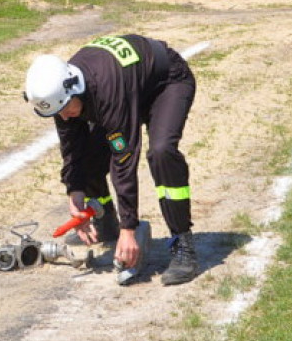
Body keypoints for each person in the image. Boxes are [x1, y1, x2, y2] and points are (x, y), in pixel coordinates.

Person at [23, 34, 199, 285]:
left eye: (64, 109)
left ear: (75, 89)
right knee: (88, 157)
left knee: (161, 153)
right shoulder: (60, 89)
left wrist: (130, 230)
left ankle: (183, 244)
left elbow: (124, 160)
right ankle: (105, 223)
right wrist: (75, 191)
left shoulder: (106, 90)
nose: (63, 117)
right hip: (130, 87)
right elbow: (72, 148)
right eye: (56, 112)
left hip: (166, 82)